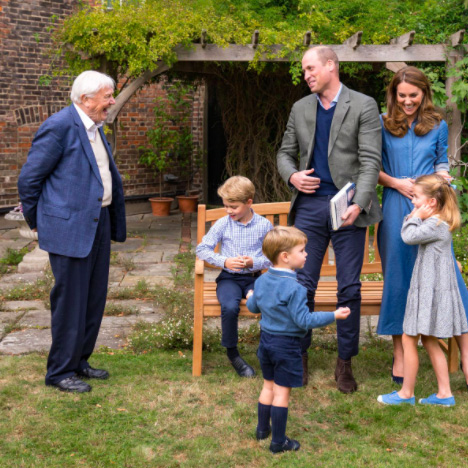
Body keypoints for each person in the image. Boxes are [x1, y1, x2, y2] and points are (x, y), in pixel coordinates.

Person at [277, 46, 382, 393]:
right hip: (308, 207)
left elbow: (370, 162)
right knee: (302, 286)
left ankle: (345, 362)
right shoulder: (300, 108)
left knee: (348, 287)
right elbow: (283, 153)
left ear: (331, 66)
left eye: (310, 68)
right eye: (304, 70)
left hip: (348, 208)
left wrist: (360, 203)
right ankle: (300, 356)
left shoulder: (363, 105)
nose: (306, 75)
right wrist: (292, 176)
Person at [18, 70, 126, 393]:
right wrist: (38, 221)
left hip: (98, 222)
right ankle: (59, 372)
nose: (111, 101)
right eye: (107, 96)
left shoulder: (95, 127)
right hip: (69, 228)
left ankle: (79, 361)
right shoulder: (60, 126)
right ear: (85, 99)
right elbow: (29, 180)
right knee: (70, 302)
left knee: (93, 299)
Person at [376, 66, 468, 386]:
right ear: (394, 95)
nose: (407, 101)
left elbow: (441, 160)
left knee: (443, 275)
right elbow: (372, 168)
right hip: (396, 205)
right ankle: (401, 352)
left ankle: (459, 352)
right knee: (399, 279)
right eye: (401, 96)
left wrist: (443, 177)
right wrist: (398, 184)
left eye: (413, 95)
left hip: (431, 207)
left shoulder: (439, 125)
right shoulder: (382, 123)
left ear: (424, 93)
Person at [246, 226, 350, 453]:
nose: (307, 255)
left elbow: (254, 307)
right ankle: (278, 442)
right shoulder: (296, 288)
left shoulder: (262, 281)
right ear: (285, 257)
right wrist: (333, 315)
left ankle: (262, 430)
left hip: (266, 343)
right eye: (302, 250)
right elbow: (304, 320)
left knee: (268, 386)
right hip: (286, 346)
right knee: (281, 393)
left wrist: (249, 296)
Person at [377, 174, 467, 406]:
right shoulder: (437, 222)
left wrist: (414, 216)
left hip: (429, 292)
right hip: (428, 289)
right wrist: (416, 215)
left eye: (416, 198)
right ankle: (444, 393)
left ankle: (406, 394)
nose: (413, 202)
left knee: (409, 338)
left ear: (432, 203)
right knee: (428, 340)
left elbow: (408, 236)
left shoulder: (434, 224)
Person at [196, 176, 272, 377]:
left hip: (255, 278)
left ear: (249, 202)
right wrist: (224, 261)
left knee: (265, 303)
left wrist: (253, 262)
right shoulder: (223, 224)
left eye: (233, 207)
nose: (229, 211)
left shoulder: (264, 225)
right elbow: (202, 249)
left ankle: (265, 350)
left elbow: (273, 256)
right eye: (226, 206)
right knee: (229, 307)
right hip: (229, 278)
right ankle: (233, 354)